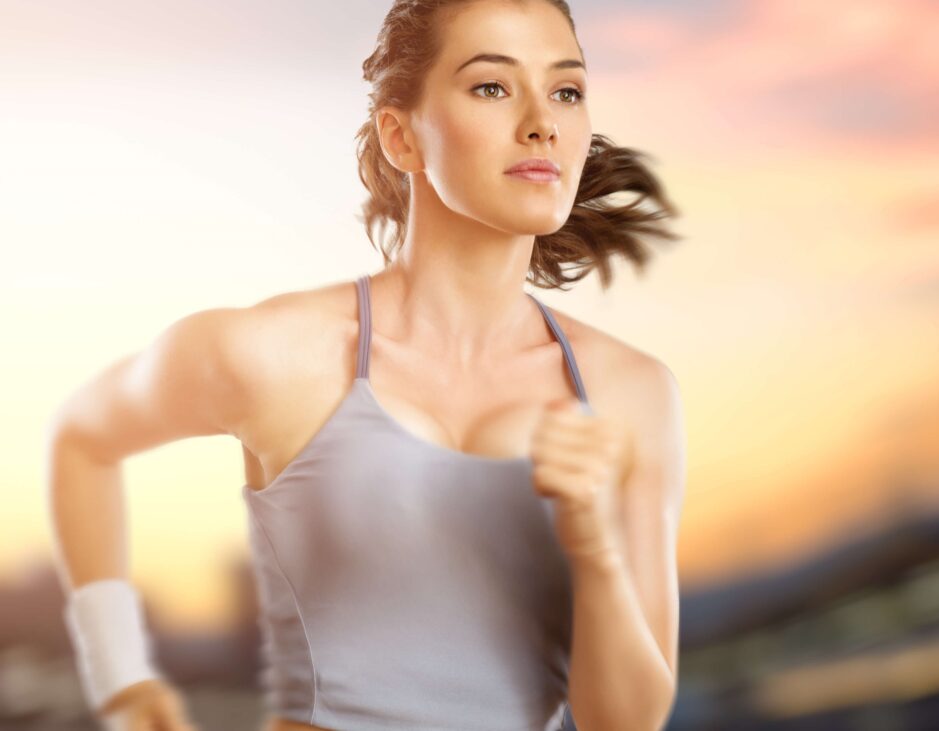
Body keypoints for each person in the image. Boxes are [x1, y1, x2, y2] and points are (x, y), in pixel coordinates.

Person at [46, 0, 687, 729]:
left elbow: (628, 722)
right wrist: (121, 681)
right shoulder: (276, 355)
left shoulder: (631, 393)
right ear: (400, 135)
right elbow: (82, 436)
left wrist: (593, 548)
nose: (543, 120)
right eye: (492, 86)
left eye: (566, 91)